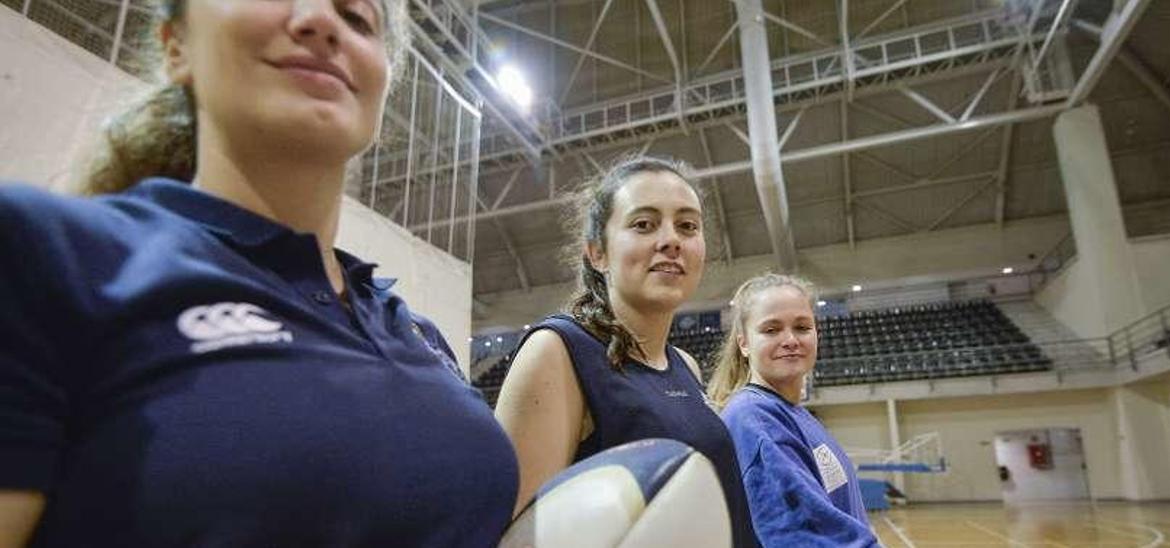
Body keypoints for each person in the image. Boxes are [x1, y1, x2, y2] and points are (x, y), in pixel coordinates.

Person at [0, 1, 516, 546]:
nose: (320, 21)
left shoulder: (421, 338)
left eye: (358, 16)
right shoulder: (44, 254)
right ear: (177, 46)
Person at [494, 155, 759, 547]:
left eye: (687, 226)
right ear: (597, 252)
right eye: (644, 224)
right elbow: (516, 537)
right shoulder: (557, 351)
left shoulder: (684, 364)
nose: (671, 240)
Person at [708, 274, 880, 547]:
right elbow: (804, 536)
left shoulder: (793, 414)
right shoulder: (754, 419)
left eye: (802, 327)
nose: (790, 340)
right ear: (744, 343)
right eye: (771, 330)